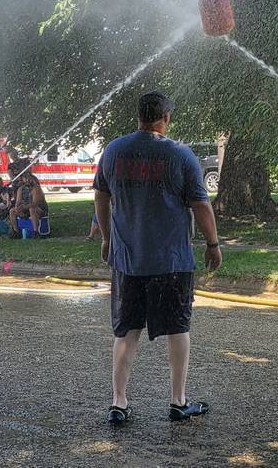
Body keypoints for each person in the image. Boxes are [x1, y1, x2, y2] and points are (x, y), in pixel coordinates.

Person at [94, 90, 222, 426]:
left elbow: (101, 198)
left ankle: (118, 404)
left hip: (128, 260)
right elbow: (200, 204)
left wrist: (107, 239)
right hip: (172, 260)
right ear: (165, 117)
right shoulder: (180, 154)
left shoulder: (113, 150)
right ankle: (178, 402)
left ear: (139, 116)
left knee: (127, 331)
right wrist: (213, 243)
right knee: (178, 327)